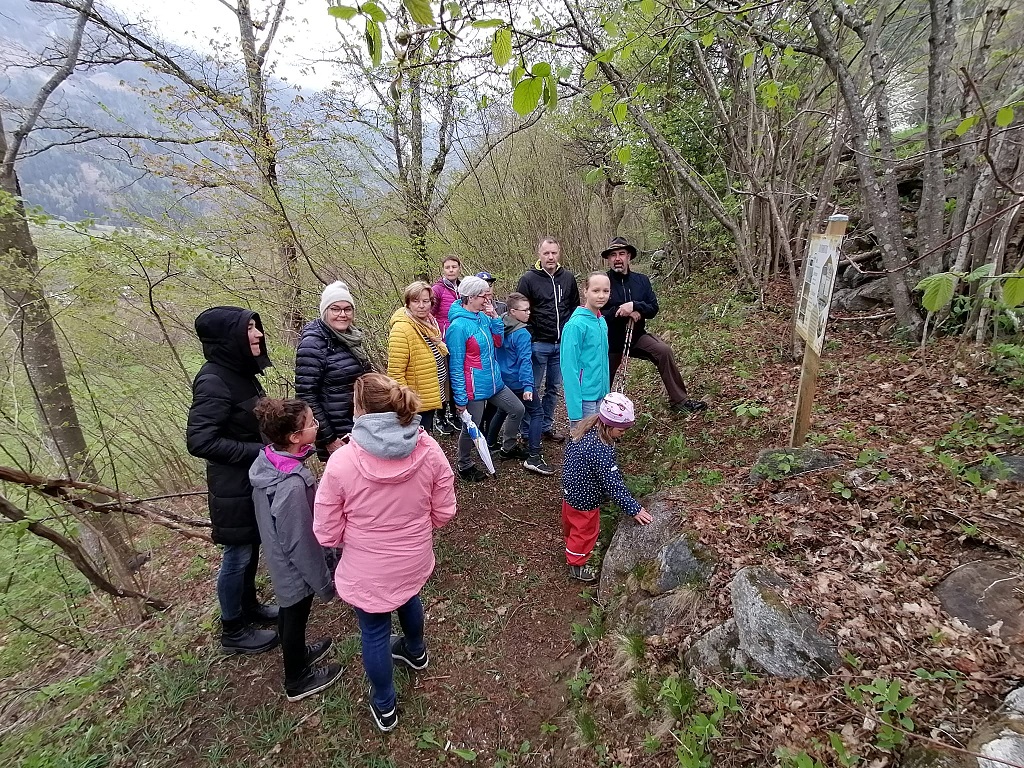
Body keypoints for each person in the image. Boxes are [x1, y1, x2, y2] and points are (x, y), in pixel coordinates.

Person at [313, 374, 456, 732]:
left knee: (374, 631)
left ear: (360, 409)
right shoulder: (429, 448)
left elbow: (327, 531)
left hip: (367, 566)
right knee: (409, 596)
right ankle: (416, 651)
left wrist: (357, 540)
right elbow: (444, 510)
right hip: (414, 555)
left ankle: (385, 706)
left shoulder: (342, 461)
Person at [186, 306, 279, 654]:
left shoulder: (239, 372)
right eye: (249, 329)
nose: (257, 335)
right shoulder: (213, 379)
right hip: (232, 487)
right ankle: (233, 630)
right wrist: (261, 452)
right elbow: (200, 441)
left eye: (257, 327)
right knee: (237, 555)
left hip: (251, 483)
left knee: (249, 548)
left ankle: (250, 607)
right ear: (227, 339)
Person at [250, 398, 342, 701]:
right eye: (311, 423)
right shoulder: (289, 484)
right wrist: (323, 582)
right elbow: (299, 540)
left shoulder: (271, 461)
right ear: (294, 437)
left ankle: (300, 653)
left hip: (281, 558)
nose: (316, 426)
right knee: (294, 615)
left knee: (292, 614)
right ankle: (297, 679)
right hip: (292, 566)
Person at [601, 237, 707, 413]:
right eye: (613, 255)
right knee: (604, 379)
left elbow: (653, 308)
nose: (617, 258)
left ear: (629, 257)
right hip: (610, 341)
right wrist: (620, 311)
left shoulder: (641, 281)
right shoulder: (603, 281)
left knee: (663, 351)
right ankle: (602, 416)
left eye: (621, 254)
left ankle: (680, 401)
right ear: (609, 259)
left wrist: (635, 306)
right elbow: (598, 313)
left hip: (636, 337)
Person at [561, 393, 653, 583]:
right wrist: (634, 509)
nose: (623, 434)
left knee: (572, 525)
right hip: (585, 498)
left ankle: (571, 546)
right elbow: (613, 485)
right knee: (585, 532)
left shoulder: (586, 430)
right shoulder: (599, 449)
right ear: (608, 425)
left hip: (570, 490)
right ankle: (576, 564)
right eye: (621, 430)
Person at [447, 275, 527, 482]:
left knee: (517, 409)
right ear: (471, 297)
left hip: (494, 382)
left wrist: (494, 319)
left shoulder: (482, 317)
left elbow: (498, 342)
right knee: (471, 426)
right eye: (484, 296)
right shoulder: (457, 327)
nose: (488, 299)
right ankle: (464, 464)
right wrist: (460, 399)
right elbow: (455, 366)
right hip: (473, 387)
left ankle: (508, 447)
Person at [295, 281, 374, 459]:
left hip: (358, 428)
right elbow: (306, 396)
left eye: (347, 309)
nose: (342, 314)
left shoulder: (350, 338)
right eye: (335, 309)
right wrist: (329, 439)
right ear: (325, 312)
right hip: (338, 435)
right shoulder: (313, 344)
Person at [516, 236, 581, 443]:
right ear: (539, 255)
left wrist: (570, 336)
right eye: (546, 253)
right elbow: (520, 311)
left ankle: (545, 426)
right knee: (531, 388)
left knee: (553, 388)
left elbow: (573, 308)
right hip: (538, 344)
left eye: (554, 253)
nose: (550, 257)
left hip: (561, 344)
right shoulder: (528, 279)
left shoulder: (567, 277)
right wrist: (532, 337)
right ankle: (527, 431)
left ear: (559, 253)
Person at [489, 292, 553, 476]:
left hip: (502, 379)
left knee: (503, 410)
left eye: (529, 309)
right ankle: (534, 456)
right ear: (513, 311)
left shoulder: (499, 324)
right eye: (524, 310)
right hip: (517, 380)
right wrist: (527, 386)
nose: (528, 313)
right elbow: (525, 361)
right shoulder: (522, 333)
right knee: (537, 412)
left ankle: (492, 443)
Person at [387, 281, 450, 435]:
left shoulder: (429, 323)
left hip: (429, 396)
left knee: (424, 439)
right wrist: (408, 403)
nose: (421, 305)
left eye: (425, 301)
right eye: (416, 301)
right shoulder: (402, 329)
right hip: (416, 403)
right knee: (417, 443)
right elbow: (395, 374)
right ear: (408, 303)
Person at [560, 273, 611, 430]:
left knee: (598, 442)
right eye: (596, 291)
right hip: (584, 400)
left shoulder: (601, 322)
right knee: (583, 444)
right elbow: (569, 369)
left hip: (601, 396)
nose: (601, 296)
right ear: (585, 291)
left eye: (606, 291)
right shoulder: (575, 326)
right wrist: (575, 411)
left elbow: (603, 361)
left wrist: (606, 395)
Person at [431, 256, 462, 433]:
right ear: (443, 269)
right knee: (442, 379)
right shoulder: (437, 289)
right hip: (442, 341)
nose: (451, 270)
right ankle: (440, 417)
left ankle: (454, 414)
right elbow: (430, 314)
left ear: (459, 268)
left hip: (458, 340)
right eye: (447, 267)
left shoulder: (462, 288)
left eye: (454, 267)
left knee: (455, 377)